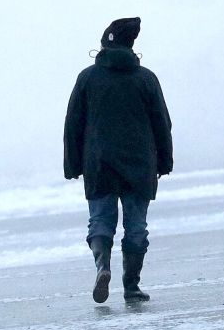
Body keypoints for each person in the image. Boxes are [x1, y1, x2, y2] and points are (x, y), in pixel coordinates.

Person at [63, 17, 173, 304]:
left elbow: (73, 123)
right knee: (136, 226)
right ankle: (131, 286)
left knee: (100, 220)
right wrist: (165, 162)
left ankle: (103, 267)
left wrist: (72, 164)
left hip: (99, 163)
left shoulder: (87, 77)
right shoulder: (146, 78)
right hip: (140, 164)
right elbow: (162, 123)